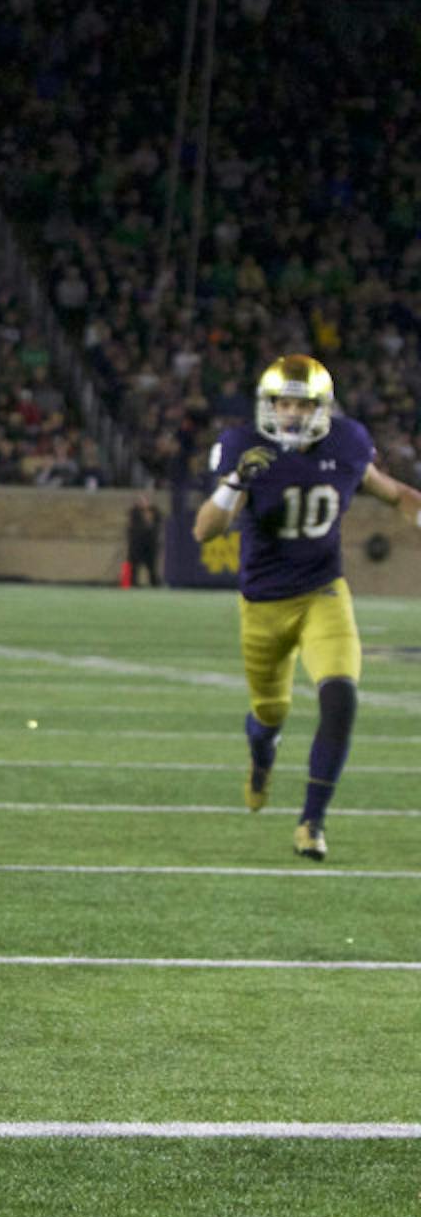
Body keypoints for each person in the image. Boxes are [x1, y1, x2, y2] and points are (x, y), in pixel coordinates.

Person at [191, 355, 421, 860]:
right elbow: (204, 530)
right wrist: (234, 482)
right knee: (269, 714)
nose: (292, 413)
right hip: (263, 606)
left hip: (323, 594)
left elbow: (392, 493)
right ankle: (261, 754)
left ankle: (311, 822)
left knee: (340, 699)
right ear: (268, 406)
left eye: (302, 403)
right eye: (283, 403)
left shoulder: (348, 441)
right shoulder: (242, 445)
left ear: (322, 407)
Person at [126, 494, 164, 587]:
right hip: (137, 544)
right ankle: (132, 583)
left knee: (152, 566)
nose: (143, 503)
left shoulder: (155, 512)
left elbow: (158, 525)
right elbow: (133, 528)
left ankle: (154, 583)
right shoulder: (134, 513)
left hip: (150, 544)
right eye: (141, 501)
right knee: (134, 565)